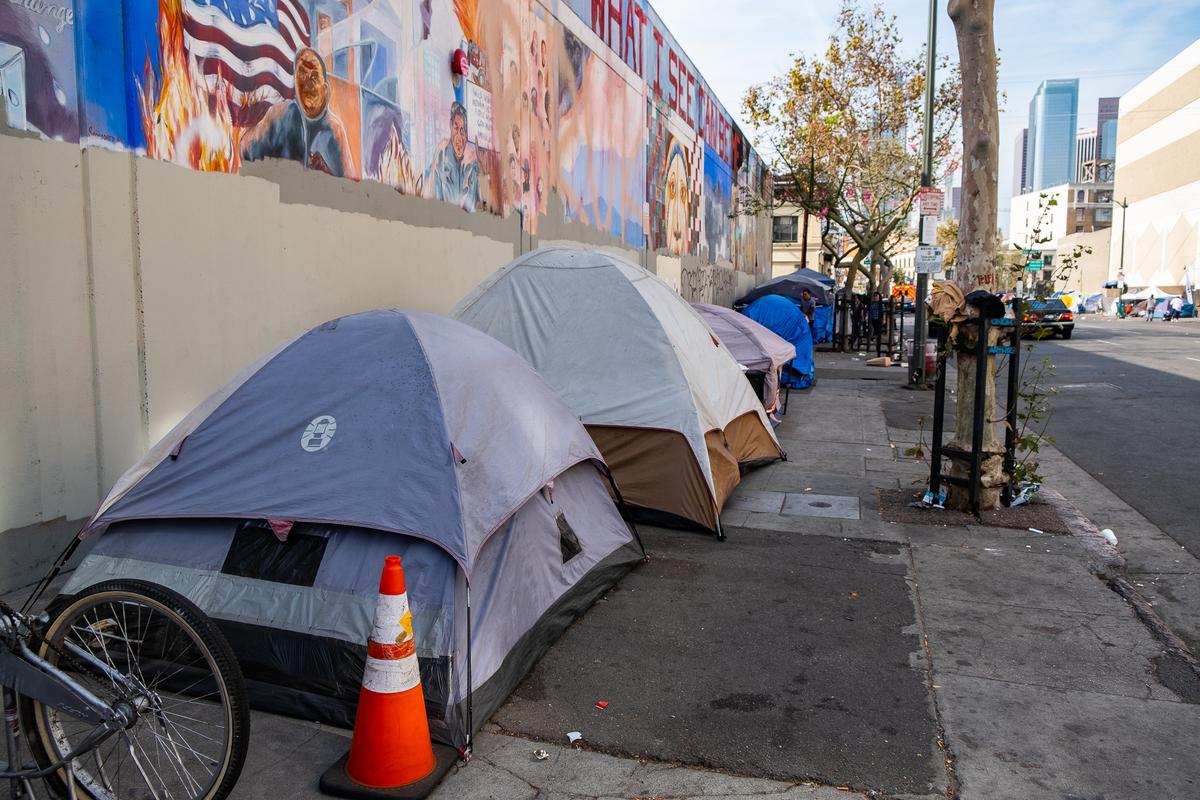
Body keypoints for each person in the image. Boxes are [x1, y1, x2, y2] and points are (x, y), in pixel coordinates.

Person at [241, 48, 352, 177]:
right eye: (302, 75)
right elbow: (245, 149)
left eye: (314, 77)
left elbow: (349, 187)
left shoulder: (335, 130)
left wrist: (326, 174)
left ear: (325, 89)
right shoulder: (280, 114)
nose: (307, 83)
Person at [430, 102, 479, 211]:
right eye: (456, 129)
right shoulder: (440, 164)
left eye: (462, 130)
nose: (459, 137)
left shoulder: (472, 168)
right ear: (450, 127)